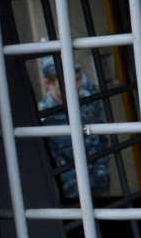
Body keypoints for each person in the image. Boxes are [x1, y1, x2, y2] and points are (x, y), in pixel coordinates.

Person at [38, 57, 111, 201]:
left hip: (101, 186)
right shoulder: (43, 118)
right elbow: (52, 163)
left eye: (77, 79)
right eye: (66, 81)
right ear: (48, 83)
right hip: (72, 195)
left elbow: (103, 139)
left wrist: (102, 175)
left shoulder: (88, 101)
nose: (75, 86)